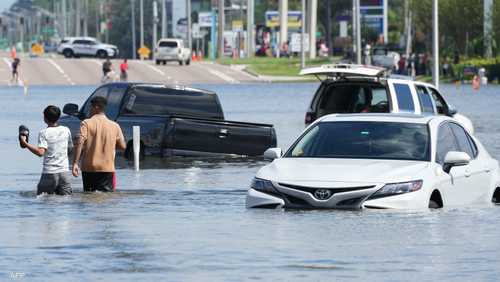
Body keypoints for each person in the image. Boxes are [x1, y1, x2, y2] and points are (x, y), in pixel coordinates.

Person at [72, 96, 126, 192]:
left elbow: (80, 142)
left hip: (89, 168)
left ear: (96, 107)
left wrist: (75, 163)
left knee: (89, 196)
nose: (89, 110)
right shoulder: (115, 125)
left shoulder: (86, 123)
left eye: (90, 107)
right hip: (107, 168)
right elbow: (123, 146)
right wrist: (109, 144)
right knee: (106, 198)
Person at [19, 106, 73, 195]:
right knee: (65, 202)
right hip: (64, 173)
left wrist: (25, 143)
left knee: (43, 201)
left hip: (49, 173)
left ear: (45, 118)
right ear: (58, 117)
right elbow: (70, 149)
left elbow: (40, 153)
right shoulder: (66, 130)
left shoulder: (44, 132)